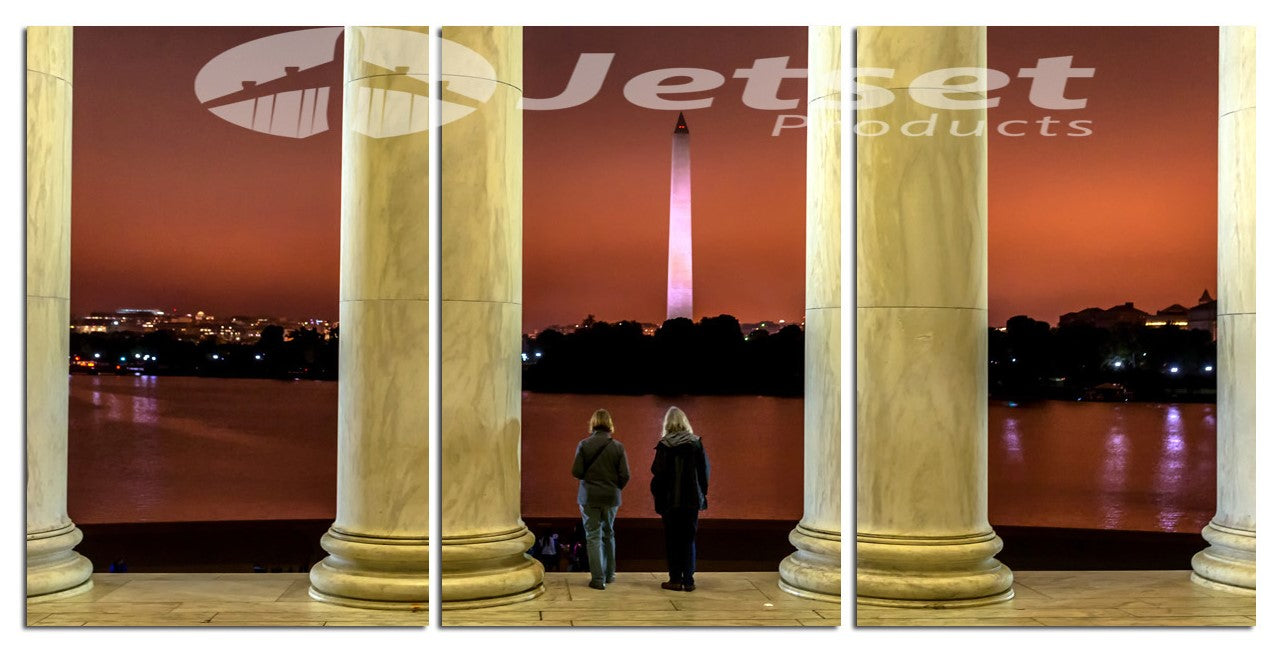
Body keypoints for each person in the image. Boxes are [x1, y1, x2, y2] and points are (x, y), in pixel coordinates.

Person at [649, 406, 709, 592]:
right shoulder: (696, 443)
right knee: (689, 539)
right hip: (691, 501)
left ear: (667, 424)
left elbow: (657, 475)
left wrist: (658, 498)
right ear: (685, 422)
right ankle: (689, 581)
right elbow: (704, 473)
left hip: (669, 502)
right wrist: (702, 494)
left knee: (672, 540)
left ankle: (675, 579)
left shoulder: (664, 445)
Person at [571, 408, 631, 590]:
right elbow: (625, 475)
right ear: (609, 424)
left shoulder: (583, 444)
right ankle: (610, 574)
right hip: (611, 497)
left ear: (593, 424)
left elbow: (576, 471)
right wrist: (615, 487)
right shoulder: (618, 447)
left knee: (593, 536)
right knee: (608, 533)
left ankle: (598, 579)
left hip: (589, 496)